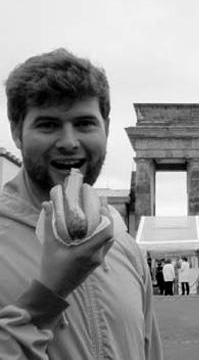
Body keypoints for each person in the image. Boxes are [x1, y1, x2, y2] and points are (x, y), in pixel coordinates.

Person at [0, 49, 162, 359]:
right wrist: (47, 296)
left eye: (85, 123)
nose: (69, 142)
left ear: (106, 128)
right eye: (48, 125)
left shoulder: (124, 245)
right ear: (16, 132)